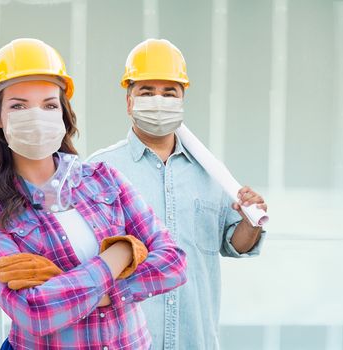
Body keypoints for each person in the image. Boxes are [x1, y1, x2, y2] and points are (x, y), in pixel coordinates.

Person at [0, 38, 187, 349]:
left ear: (62, 113)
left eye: (49, 104)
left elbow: (173, 262)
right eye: (18, 105)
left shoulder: (104, 179)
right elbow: (35, 313)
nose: (36, 116)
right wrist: (119, 254)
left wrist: (100, 293)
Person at [88, 38, 268, 349]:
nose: (158, 100)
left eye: (169, 93)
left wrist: (250, 223)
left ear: (182, 99)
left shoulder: (212, 174)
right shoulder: (99, 171)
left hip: (195, 339)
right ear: (129, 100)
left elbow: (234, 244)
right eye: (146, 92)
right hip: (124, 341)